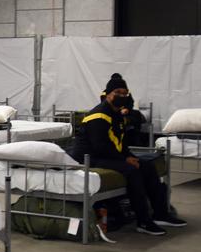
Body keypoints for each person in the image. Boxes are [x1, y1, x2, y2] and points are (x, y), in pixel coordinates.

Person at [68, 76, 186, 235]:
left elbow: (120, 144)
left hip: (105, 155)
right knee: (132, 170)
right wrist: (125, 159)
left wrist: (130, 156)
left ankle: (160, 214)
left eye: (125, 93)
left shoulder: (118, 115)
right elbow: (100, 146)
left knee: (147, 166)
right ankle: (143, 221)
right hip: (89, 157)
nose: (122, 96)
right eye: (118, 92)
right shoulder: (98, 115)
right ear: (108, 94)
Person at [100, 73, 145, 147]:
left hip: (125, 110)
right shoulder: (106, 93)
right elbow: (105, 104)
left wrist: (126, 109)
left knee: (137, 114)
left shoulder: (126, 92)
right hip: (113, 111)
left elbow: (131, 102)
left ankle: (137, 138)